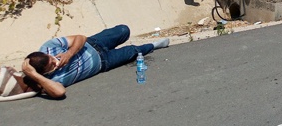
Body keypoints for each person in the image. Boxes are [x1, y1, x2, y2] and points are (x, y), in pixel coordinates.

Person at [21, 24, 170, 99]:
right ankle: (154, 45)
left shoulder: (48, 47)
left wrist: (69, 53)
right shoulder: (49, 80)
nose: (55, 62)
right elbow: (59, 92)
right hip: (103, 62)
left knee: (124, 30)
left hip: (93, 43)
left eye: (52, 59)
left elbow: (80, 37)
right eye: (51, 65)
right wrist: (35, 76)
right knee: (132, 51)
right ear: (44, 72)